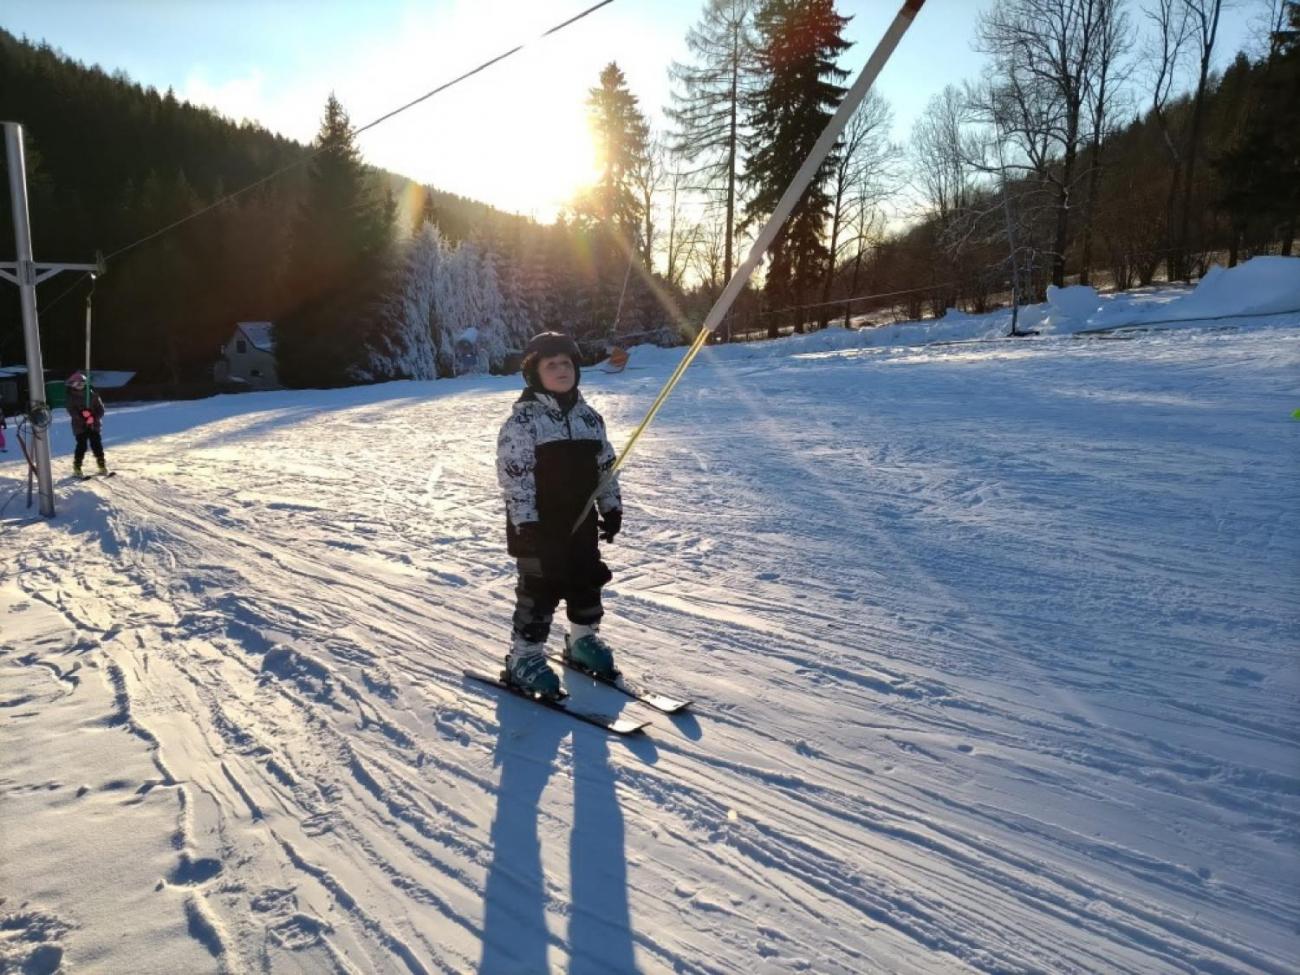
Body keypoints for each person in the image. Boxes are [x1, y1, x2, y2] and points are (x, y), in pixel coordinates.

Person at [496, 331, 624, 697]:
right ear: (534, 373)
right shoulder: (523, 422)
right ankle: (524, 657)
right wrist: (526, 523)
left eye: (566, 362)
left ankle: (583, 640)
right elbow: (515, 477)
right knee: (540, 590)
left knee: (586, 580)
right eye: (551, 364)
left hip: (581, 520)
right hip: (539, 524)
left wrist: (611, 507)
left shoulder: (590, 419)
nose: (561, 369)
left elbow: (605, 468)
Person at [65, 372, 108, 477]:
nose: (79, 386)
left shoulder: (93, 395)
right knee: (82, 446)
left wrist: (93, 417)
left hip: (94, 425)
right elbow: (71, 411)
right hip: (80, 426)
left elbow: (101, 409)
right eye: (76, 384)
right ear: (72, 385)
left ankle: (102, 466)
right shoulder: (71, 397)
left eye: (81, 383)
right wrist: (82, 416)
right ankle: (77, 468)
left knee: (96, 444)